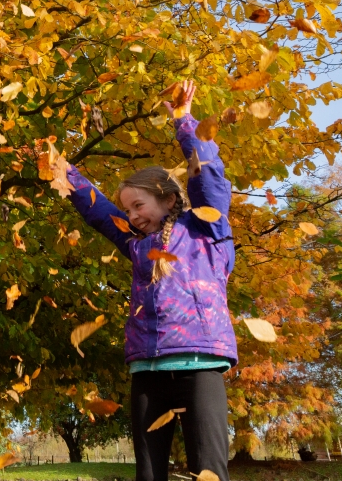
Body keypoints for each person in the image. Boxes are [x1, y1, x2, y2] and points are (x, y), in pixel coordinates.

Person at [65, 80, 236, 481]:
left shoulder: (208, 229)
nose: (133, 215)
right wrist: (64, 171)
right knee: (148, 474)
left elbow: (208, 176)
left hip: (200, 365)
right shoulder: (137, 246)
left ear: (168, 199)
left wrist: (184, 121)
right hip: (147, 372)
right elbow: (99, 211)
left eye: (138, 205)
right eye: (129, 208)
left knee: (209, 472)